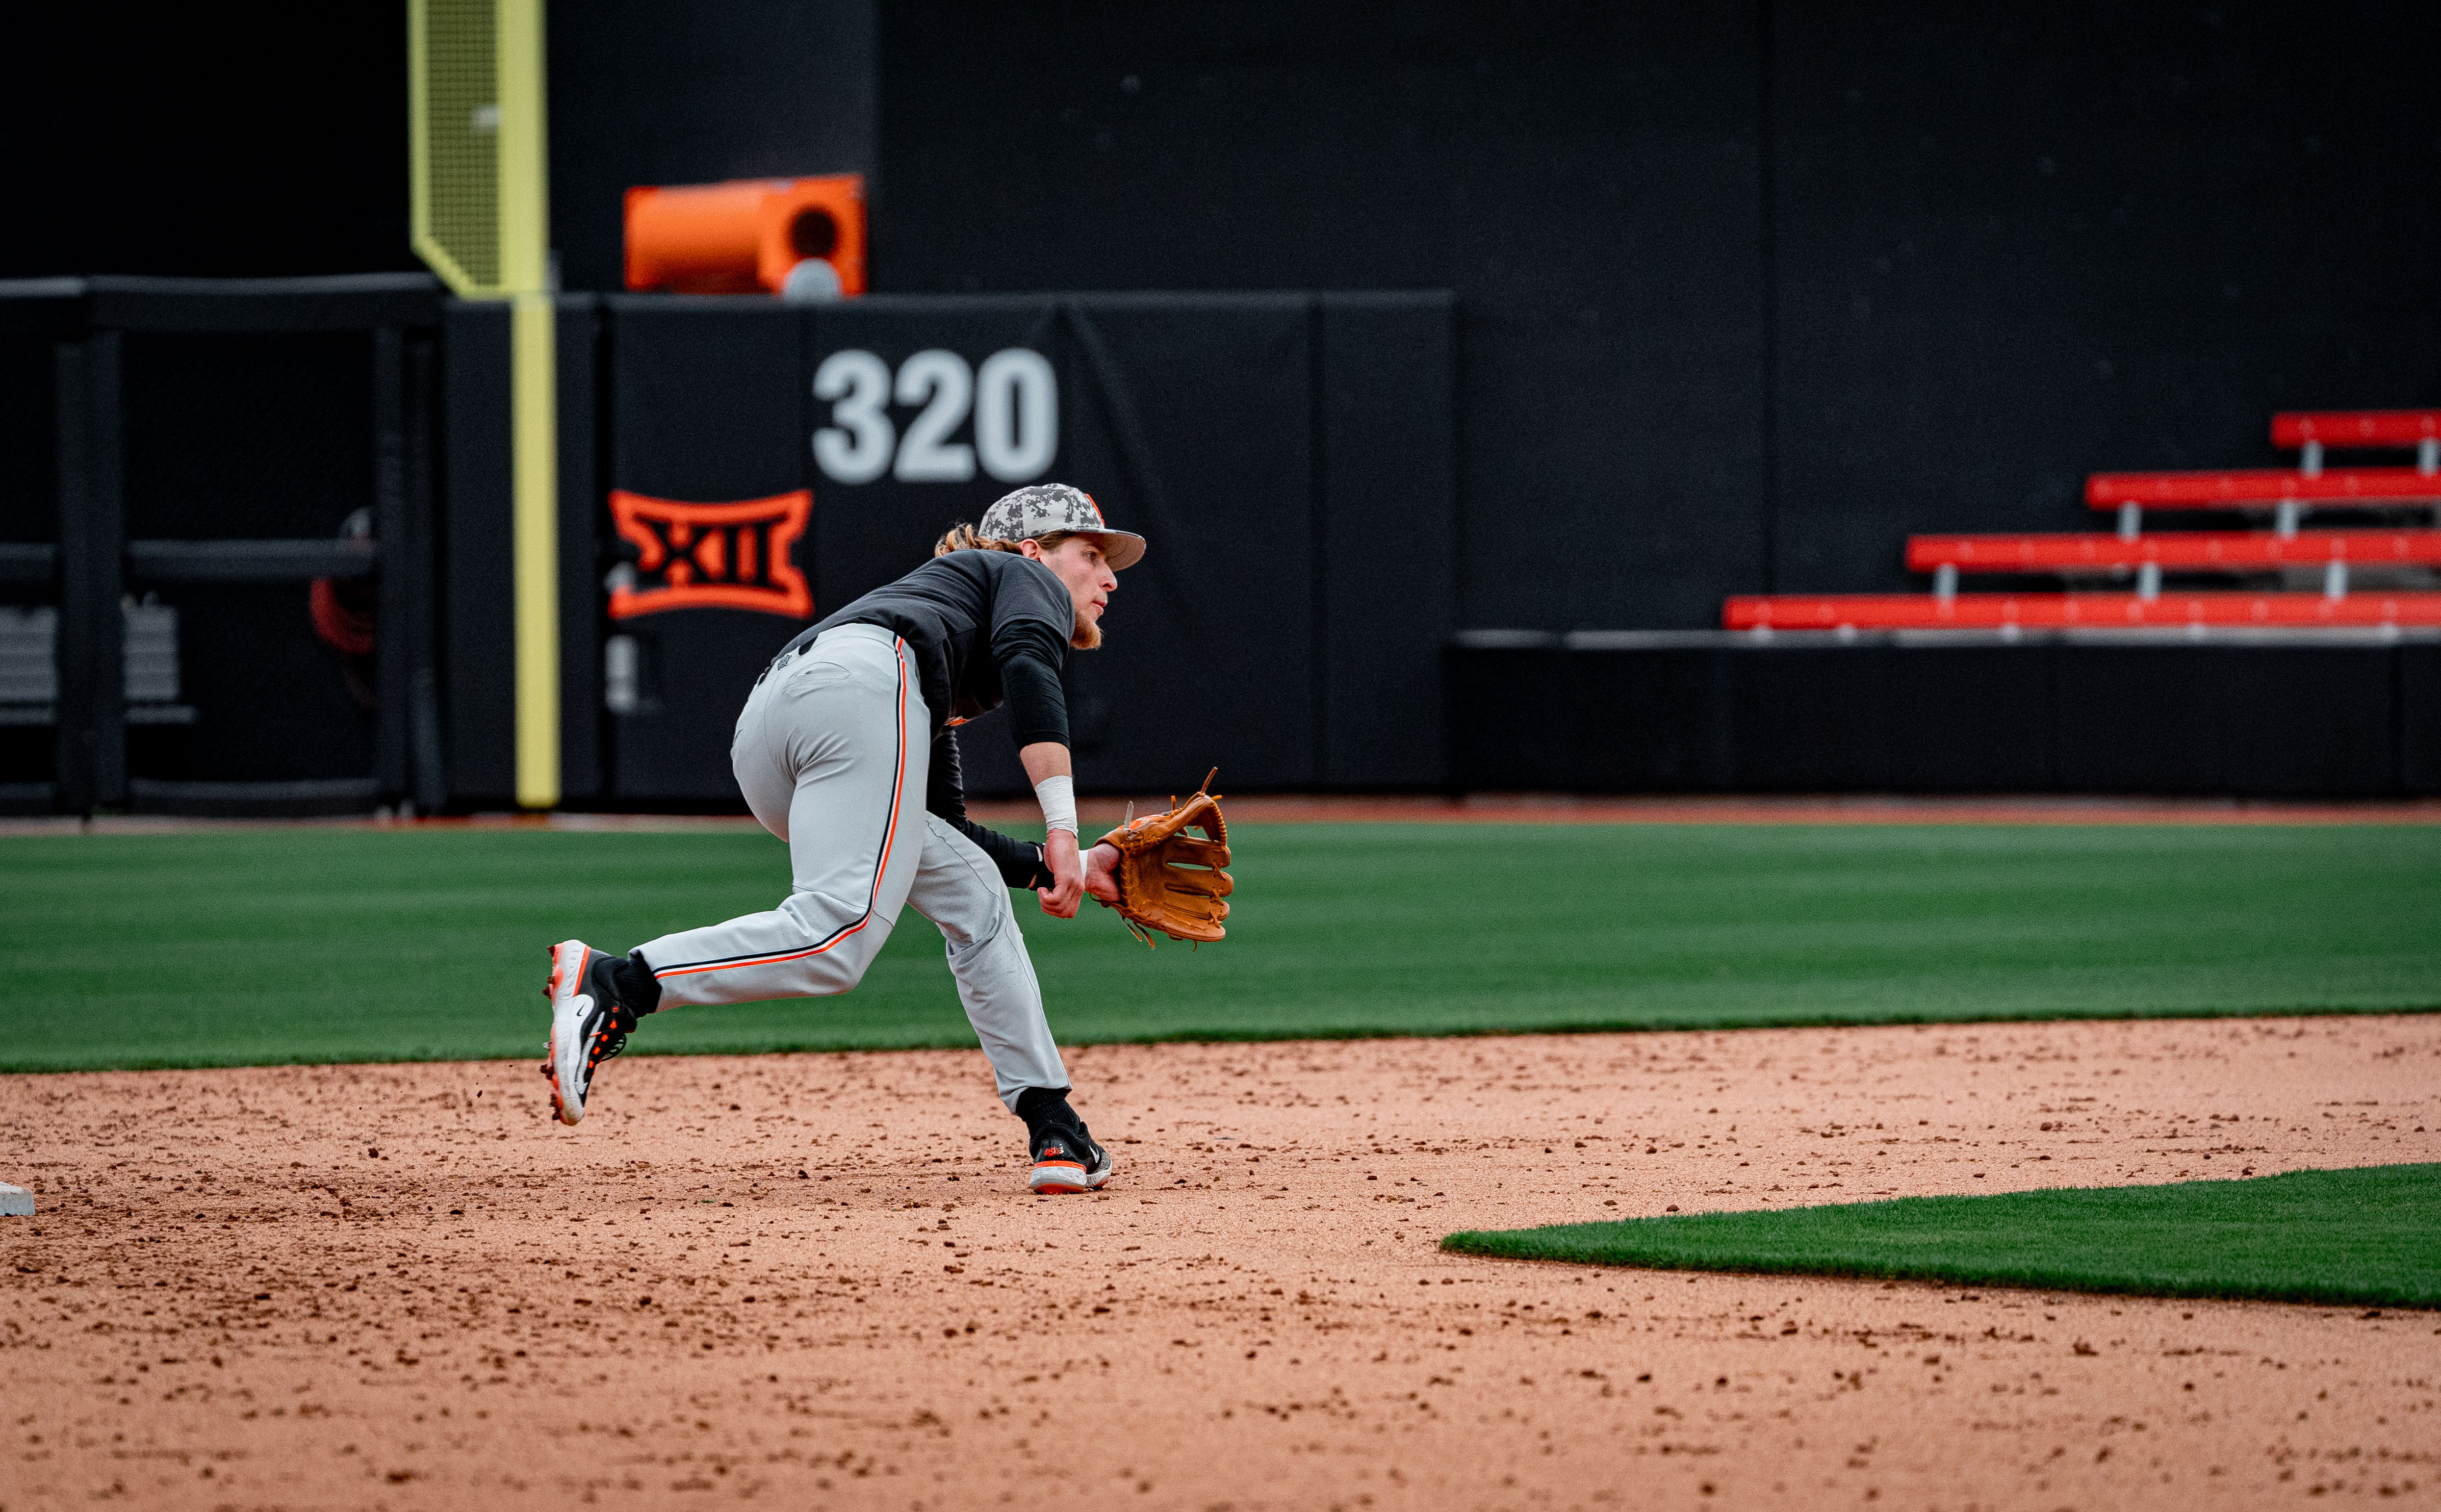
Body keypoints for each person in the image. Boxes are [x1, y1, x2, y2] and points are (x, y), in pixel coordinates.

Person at [542, 483, 1140, 1194]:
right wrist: (1064, 830)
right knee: (839, 935)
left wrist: (1052, 868)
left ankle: (1053, 1124)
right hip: (859, 686)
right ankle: (619, 982)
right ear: (1034, 551)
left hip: (775, 725)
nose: (1108, 576)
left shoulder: (941, 636)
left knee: (973, 894)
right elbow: (1030, 664)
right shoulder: (1021, 577)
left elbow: (937, 827)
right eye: (1091, 554)